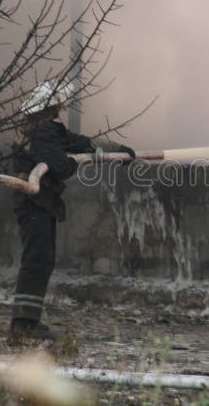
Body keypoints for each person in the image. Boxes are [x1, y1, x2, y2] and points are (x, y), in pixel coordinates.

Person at [11, 81, 134, 340]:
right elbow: (59, 164)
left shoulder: (38, 130)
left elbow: (82, 143)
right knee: (37, 259)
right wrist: (69, 163)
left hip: (39, 199)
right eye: (56, 104)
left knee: (41, 258)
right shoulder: (42, 132)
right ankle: (23, 324)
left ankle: (27, 319)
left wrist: (117, 151)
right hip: (35, 199)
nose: (60, 108)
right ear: (48, 108)